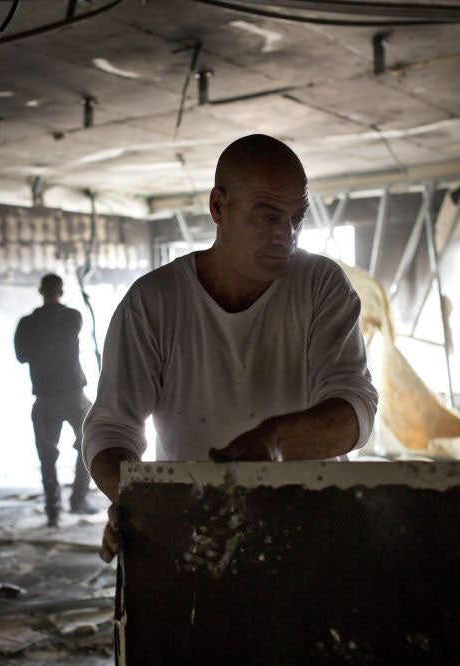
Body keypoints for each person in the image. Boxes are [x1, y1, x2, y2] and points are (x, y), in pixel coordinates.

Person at [82, 134, 378, 562]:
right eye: (268, 216)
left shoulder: (320, 285)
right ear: (218, 207)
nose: (286, 235)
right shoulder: (154, 302)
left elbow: (356, 411)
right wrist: (143, 502)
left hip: (311, 532)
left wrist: (273, 442)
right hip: (197, 538)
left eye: (297, 218)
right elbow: (111, 430)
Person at [15, 273, 96, 527]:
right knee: (88, 445)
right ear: (61, 291)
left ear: (40, 291)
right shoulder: (73, 317)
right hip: (74, 395)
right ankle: (78, 500)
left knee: (47, 454)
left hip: (45, 397)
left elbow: (21, 356)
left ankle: (53, 511)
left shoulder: (27, 323)